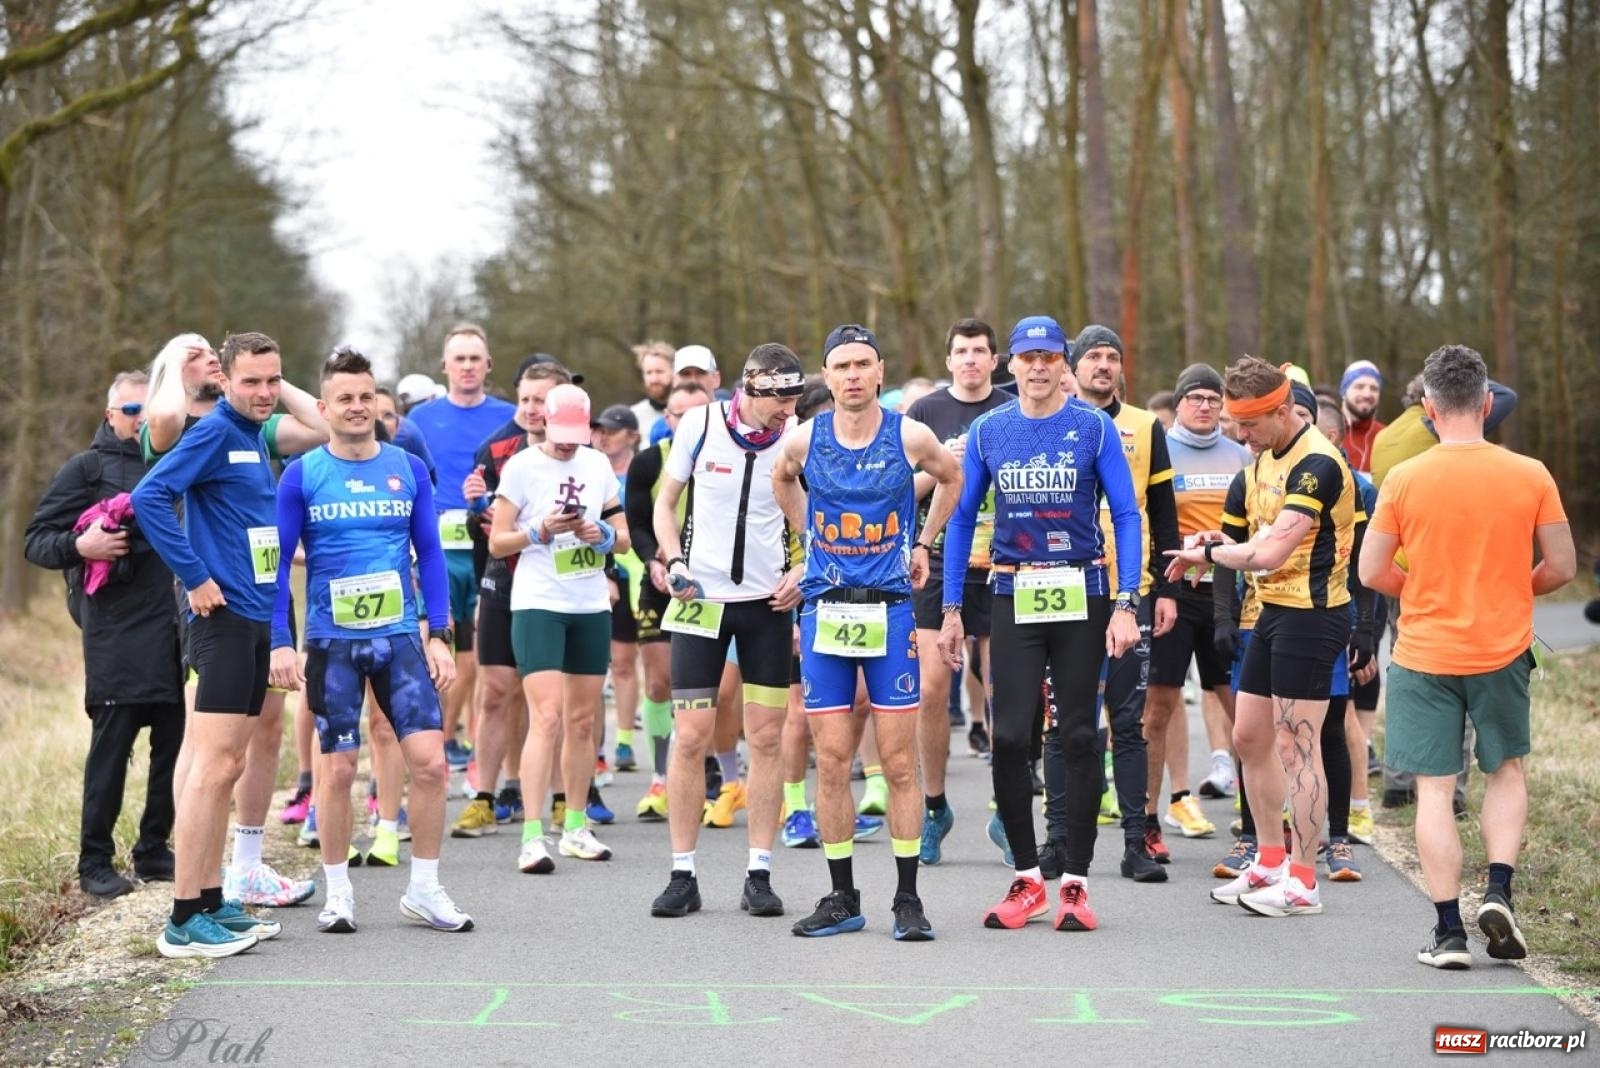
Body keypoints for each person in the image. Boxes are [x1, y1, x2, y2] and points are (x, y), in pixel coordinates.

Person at [1358, 344, 1574, 969]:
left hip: (1426, 650)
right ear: (1485, 403)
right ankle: (1499, 890)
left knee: (1434, 789)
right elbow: (1561, 566)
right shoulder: (1530, 473)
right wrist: (1508, 588)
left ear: (1428, 408)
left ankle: (1449, 933)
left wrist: (1425, 590)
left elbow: (1373, 570)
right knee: (1506, 771)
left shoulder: (1403, 478)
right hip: (1502, 648)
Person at [939, 315, 1142, 933]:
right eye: (1027, 358)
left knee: (1080, 734)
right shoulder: (988, 431)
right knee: (1009, 738)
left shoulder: (1093, 428)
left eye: (1049, 357)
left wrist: (1126, 601)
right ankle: (1028, 878)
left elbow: (1127, 515)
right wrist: (951, 609)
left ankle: (1076, 883)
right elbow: (958, 516)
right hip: (1013, 590)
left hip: (1082, 591)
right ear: (1012, 366)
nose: (1037, 367)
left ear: (1065, 364)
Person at [267, 349, 471, 934]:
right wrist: (282, 641)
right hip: (332, 641)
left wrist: (441, 635)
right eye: (345, 399)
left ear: (378, 403)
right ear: (325, 407)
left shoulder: (406, 468)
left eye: (366, 397)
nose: (357, 408)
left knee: (430, 764)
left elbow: (429, 554)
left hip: (402, 636)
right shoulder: (302, 474)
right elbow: (279, 567)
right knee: (337, 769)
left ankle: (425, 889)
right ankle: (339, 893)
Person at [773, 323, 961, 941]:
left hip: (889, 610)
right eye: (841, 367)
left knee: (900, 762)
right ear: (825, 378)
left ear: (880, 372)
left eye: (862, 365)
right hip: (827, 609)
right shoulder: (804, 438)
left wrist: (923, 542)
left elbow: (951, 477)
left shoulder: (910, 434)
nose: (852, 376)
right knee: (830, 761)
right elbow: (781, 477)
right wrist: (809, 539)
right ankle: (841, 896)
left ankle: (907, 899)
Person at [1165, 356, 1360, 918]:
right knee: (1249, 738)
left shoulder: (1317, 463)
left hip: (1315, 614)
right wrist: (1208, 541)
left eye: (1247, 426)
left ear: (1281, 411)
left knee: (1296, 746)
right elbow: (1252, 536)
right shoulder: (1258, 462)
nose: (1239, 437)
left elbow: (1270, 551)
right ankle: (1270, 860)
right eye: (1233, 424)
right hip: (1270, 611)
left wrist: (1210, 553)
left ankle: (1303, 881)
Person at [141, 333, 324, 909]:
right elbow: (149, 497)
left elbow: (321, 423)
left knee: (231, 762)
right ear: (224, 379)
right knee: (212, 764)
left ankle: (216, 898)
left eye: (274, 380)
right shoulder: (215, 430)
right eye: (252, 381)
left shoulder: (251, 432)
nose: (266, 392)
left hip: (256, 610)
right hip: (218, 615)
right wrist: (194, 577)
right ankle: (187, 910)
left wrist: (267, 384)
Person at [647, 344, 806, 919]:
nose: (788, 410)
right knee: (691, 736)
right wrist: (673, 558)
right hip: (702, 602)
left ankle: (758, 872)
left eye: (794, 399)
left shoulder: (796, 436)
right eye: (780, 399)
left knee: (766, 738)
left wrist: (804, 568)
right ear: (752, 388)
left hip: (766, 604)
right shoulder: (701, 422)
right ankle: (682, 872)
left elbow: (817, 517)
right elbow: (665, 504)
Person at [25, 371, 183, 899]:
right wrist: (82, 545)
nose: (139, 420)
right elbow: (37, 541)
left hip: (173, 623)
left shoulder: (177, 459)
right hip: (114, 629)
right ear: (111, 414)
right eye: (130, 411)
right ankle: (94, 861)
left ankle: (154, 849)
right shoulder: (86, 469)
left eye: (148, 410)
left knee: (172, 745)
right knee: (112, 746)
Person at [1041, 324, 1178, 884]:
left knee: (1128, 720)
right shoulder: (1046, 421)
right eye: (1093, 356)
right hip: (1063, 587)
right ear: (1073, 367)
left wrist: (1163, 588)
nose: (1104, 365)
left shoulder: (1146, 426)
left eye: (1113, 357)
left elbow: (1163, 510)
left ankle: (1135, 840)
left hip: (1128, 590)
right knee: (1061, 722)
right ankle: (1057, 840)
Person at [489, 383, 630, 873]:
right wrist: (539, 531)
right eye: (560, 433)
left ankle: (574, 825)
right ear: (543, 422)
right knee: (545, 716)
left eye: (577, 434)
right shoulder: (523, 466)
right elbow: (497, 542)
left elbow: (625, 539)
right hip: (539, 602)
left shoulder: (596, 465)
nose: (568, 444)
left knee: (583, 721)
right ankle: (532, 834)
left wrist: (603, 534)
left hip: (589, 601)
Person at [904, 319, 1012, 865]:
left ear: (995, 360)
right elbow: (902, 487)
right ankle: (934, 808)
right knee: (929, 688)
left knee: (1002, 693)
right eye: (961, 351)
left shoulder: (1014, 406)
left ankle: (1006, 811)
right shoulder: (925, 412)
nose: (970, 359)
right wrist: (949, 461)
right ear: (949, 361)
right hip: (939, 558)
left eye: (979, 351)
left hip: (1003, 563)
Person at [451, 360, 574, 837]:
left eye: (541, 400)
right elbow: (480, 530)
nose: (530, 409)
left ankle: (564, 798)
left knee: (551, 700)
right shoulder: (496, 449)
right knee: (496, 690)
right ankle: (484, 796)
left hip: (560, 587)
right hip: (503, 580)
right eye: (524, 399)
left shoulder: (581, 453)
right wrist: (475, 508)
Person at [1143, 365, 1250, 849]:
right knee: (1158, 707)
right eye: (1195, 397)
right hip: (1175, 591)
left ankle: (1256, 815)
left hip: (1227, 595)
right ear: (1179, 403)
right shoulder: (1160, 447)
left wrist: (1224, 544)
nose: (1205, 405)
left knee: (1242, 709)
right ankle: (1153, 813)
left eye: (1212, 398)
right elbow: (1152, 518)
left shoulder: (1241, 454)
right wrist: (1189, 545)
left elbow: (1255, 523)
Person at [404, 324, 518, 772]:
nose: (468, 366)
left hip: (494, 542)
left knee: (486, 663)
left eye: (476, 358)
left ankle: (482, 759)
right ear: (445, 366)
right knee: (439, 649)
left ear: (488, 365)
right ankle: (438, 745)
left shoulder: (509, 416)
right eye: (460, 358)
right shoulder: (420, 422)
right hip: (437, 548)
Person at [625, 381, 714, 820]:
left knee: (710, 688)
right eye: (679, 415)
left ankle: (712, 770)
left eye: (698, 412)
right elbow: (637, 523)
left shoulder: (726, 458)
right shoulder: (649, 461)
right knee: (660, 683)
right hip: (661, 580)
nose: (687, 422)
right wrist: (653, 562)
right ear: (668, 419)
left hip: (713, 586)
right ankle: (661, 775)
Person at [592, 404, 643, 798]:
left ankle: (626, 737)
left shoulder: (639, 471)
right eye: (599, 430)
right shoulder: (591, 471)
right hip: (609, 575)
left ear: (632, 435)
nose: (604, 435)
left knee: (641, 665)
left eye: (612, 430)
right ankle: (608, 745)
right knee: (618, 662)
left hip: (643, 574)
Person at [630, 340, 676, 440]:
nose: (654, 379)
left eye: (659, 372)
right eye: (649, 373)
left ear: (674, 372)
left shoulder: (688, 413)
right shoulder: (634, 416)